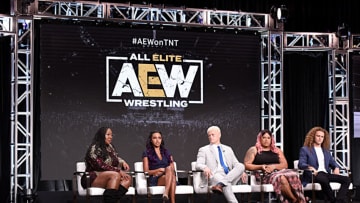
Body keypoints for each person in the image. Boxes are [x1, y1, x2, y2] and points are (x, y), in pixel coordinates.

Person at [244, 129, 306, 203]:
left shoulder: (276, 150)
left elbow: (285, 164)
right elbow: (246, 165)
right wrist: (261, 167)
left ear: (271, 139)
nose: (266, 140)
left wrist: (274, 166)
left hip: (279, 171)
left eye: (268, 138)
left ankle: (299, 198)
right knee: (281, 178)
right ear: (260, 138)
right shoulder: (254, 150)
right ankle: (294, 199)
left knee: (293, 174)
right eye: (264, 138)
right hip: (264, 175)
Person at [298, 126, 350, 203]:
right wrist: (310, 167)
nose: (320, 138)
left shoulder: (325, 151)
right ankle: (333, 200)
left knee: (346, 180)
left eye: (322, 137)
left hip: (325, 174)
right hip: (313, 175)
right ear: (313, 137)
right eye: (318, 136)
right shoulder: (305, 149)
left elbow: (333, 162)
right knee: (323, 178)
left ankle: (338, 201)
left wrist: (336, 167)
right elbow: (301, 163)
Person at [195, 125, 247, 203]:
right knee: (226, 184)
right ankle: (222, 184)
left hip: (230, 176)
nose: (210, 137)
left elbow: (236, 164)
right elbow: (198, 164)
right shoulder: (204, 150)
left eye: (213, 135)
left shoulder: (228, 149)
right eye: (209, 135)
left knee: (241, 166)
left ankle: (220, 184)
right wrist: (204, 167)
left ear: (219, 135)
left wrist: (241, 171)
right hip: (215, 175)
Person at [82, 127, 132, 203]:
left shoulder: (110, 147)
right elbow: (99, 165)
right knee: (115, 175)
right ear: (102, 135)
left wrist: (122, 162)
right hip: (93, 177)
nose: (110, 137)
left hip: (109, 176)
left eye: (111, 135)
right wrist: (118, 170)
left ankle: (111, 200)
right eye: (108, 134)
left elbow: (115, 158)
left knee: (127, 179)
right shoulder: (94, 148)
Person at [142, 131, 176, 203]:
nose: (157, 140)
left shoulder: (167, 152)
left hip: (167, 176)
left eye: (159, 138)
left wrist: (165, 171)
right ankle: (171, 200)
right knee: (172, 177)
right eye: (154, 138)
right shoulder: (146, 153)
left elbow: (172, 168)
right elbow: (146, 171)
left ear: (161, 139)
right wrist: (159, 170)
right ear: (151, 140)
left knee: (170, 173)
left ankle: (166, 193)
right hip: (155, 178)